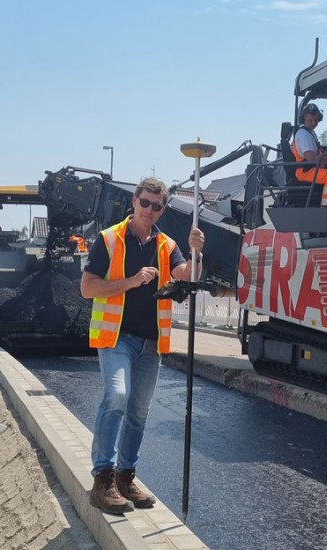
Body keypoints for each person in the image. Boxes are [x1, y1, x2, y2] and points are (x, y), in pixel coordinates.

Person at [80, 176, 205, 514]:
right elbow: (88, 288)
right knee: (117, 396)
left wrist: (197, 252)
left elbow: (188, 275)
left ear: (163, 209)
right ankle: (101, 479)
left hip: (151, 343)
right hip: (116, 338)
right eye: (145, 202)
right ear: (134, 201)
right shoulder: (108, 240)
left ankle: (125, 477)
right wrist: (132, 282)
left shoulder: (166, 245)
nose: (150, 210)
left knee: (138, 412)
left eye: (157, 205)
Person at [291, 102, 327, 206]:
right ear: (303, 119)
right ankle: (326, 207)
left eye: (316, 120)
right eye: (310, 120)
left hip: (311, 168)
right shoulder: (303, 135)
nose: (313, 123)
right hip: (304, 171)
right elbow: (312, 159)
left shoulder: (310, 132)